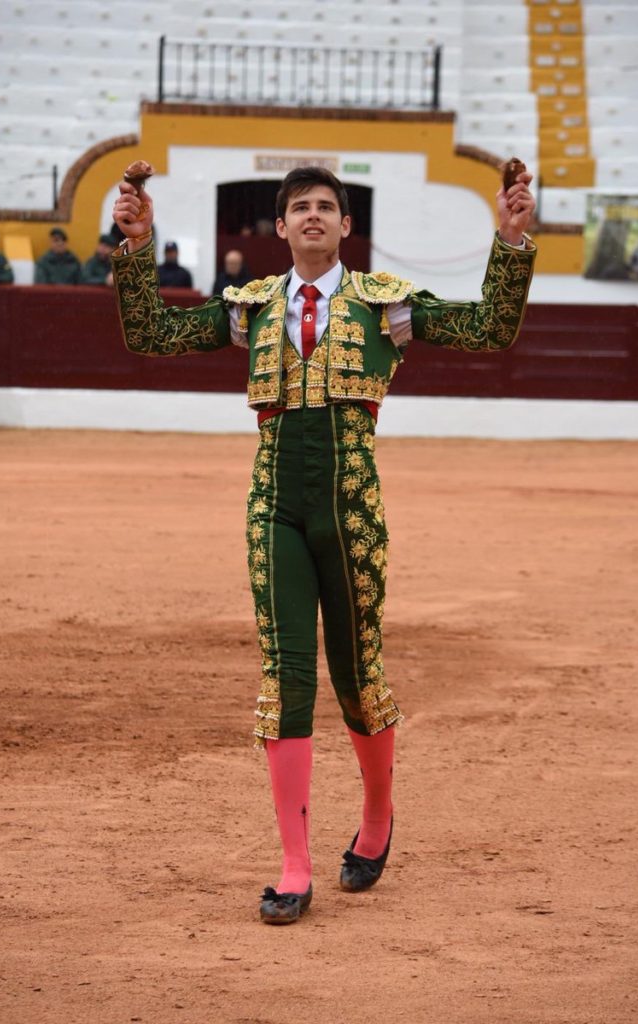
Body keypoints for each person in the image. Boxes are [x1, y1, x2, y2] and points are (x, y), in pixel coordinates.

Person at [111, 163, 536, 925]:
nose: (312, 215)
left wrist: (508, 241)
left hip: (350, 509)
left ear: (345, 226)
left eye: (325, 207)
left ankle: (375, 817)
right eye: (299, 207)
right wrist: (139, 245)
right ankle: (294, 864)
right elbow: (150, 334)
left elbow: (488, 329)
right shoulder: (250, 305)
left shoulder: (384, 302)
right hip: (272, 507)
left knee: (356, 670)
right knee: (286, 676)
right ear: (279, 227)